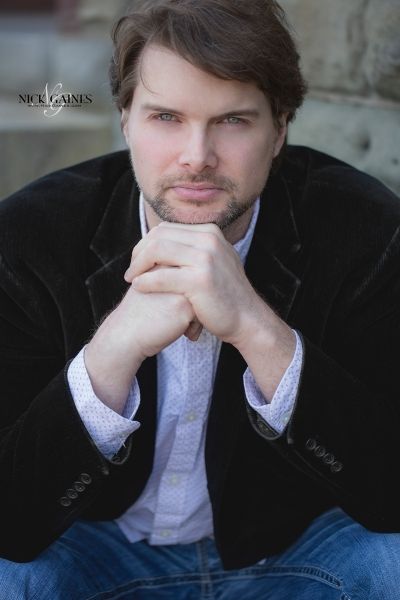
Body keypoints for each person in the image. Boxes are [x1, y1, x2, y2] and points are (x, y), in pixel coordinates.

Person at [0, 0, 400, 598]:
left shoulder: (368, 232)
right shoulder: (27, 239)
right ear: (125, 119)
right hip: (92, 548)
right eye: (166, 116)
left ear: (280, 128)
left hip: (294, 548)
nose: (197, 156)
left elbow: (390, 493)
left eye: (233, 120)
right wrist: (110, 353)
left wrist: (259, 332)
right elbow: (11, 520)